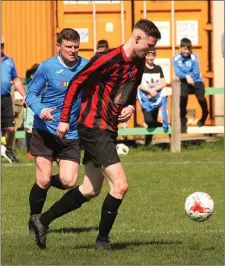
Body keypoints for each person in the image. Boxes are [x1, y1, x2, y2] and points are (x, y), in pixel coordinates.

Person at [29, 19, 161, 250]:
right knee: (120, 185)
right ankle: (102, 241)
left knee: (90, 189)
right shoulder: (106, 58)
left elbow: (131, 89)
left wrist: (130, 106)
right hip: (93, 128)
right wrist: (63, 119)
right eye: (149, 45)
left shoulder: (137, 64)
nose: (150, 50)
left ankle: (42, 220)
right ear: (137, 38)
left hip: (109, 129)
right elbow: (76, 84)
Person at [26, 28, 89, 233]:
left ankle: (42, 189)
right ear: (59, 47)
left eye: (76, 47)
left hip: (70, 133)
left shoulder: (86, 66)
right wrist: (40, 109)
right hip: (45, 131)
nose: (73, 51)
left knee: (69, 181)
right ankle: (34, 220)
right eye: (68, 47)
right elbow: (31, 94)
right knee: (43, 178)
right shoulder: (47, 67)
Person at [172, 38, 209, 133]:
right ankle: (183, 121)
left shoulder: (194, 56)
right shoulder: (175, 58)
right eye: (184, 49)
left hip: (197, 81)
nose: (186, 51)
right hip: (184, 81)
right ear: (180, 48)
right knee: (183, 100)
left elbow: (196, 71)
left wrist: (191, 77)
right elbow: (177, 72)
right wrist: (186, 76)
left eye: (188, 49)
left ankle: (205, 113)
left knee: (201, 98)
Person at [1, 37, 25, 163]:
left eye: (1, 45)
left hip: (5, 98)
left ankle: (8, 149)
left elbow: (15, 80)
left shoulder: (9, 61)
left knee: (10, 128)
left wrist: (24, 95)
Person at [137, 48, 168, 145]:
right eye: (148, 55)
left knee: (152, 121)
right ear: (145, 56)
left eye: (152, 55)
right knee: (149, 121)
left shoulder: (158, 68)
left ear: (155, 56)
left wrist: (154, 90)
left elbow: (163, 83)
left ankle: (147, 143)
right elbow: (137, 83)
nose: (150, 57)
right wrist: (149, 90)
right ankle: (166, 126)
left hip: (155, 99)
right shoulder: (141, 68)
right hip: (145, 100)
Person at [24, 63, 39, 158]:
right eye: (34, 73)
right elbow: (27, 73)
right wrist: (36, 68)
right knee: (29, 130)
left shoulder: (42, 82)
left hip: (38, 108)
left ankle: (37, 150)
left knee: (38, 130)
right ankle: (29, 151)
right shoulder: (29, 81)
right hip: (29, 108)